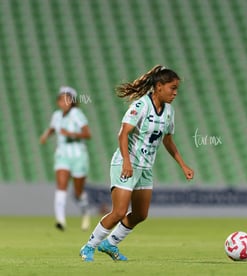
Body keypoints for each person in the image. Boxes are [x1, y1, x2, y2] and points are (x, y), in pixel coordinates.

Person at [79, 65, 194, 262]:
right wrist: (126, 162)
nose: (175, 93)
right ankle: (89, 246)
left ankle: (111, 243)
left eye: (177, 89)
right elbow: (123, 134)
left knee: (141, 214)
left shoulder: (169, 112)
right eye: (172, 88)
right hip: (127, 163)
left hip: (145, 168)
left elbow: (168, 140)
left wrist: (183, 165)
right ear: (159, 86)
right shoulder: (141, 106)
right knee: (119, 212)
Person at [40, 86, 92, 231]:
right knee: (61, 185)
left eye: (67, 99)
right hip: (62, 155)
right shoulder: (56, 115)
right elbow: (52, 128)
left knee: (78, 191)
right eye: (61, 99)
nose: (64, 102)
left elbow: (88, 134)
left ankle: (85, 212)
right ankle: (60, 220)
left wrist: (71, 134)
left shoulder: (77, 114)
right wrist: (45, 135)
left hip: (78, 156)